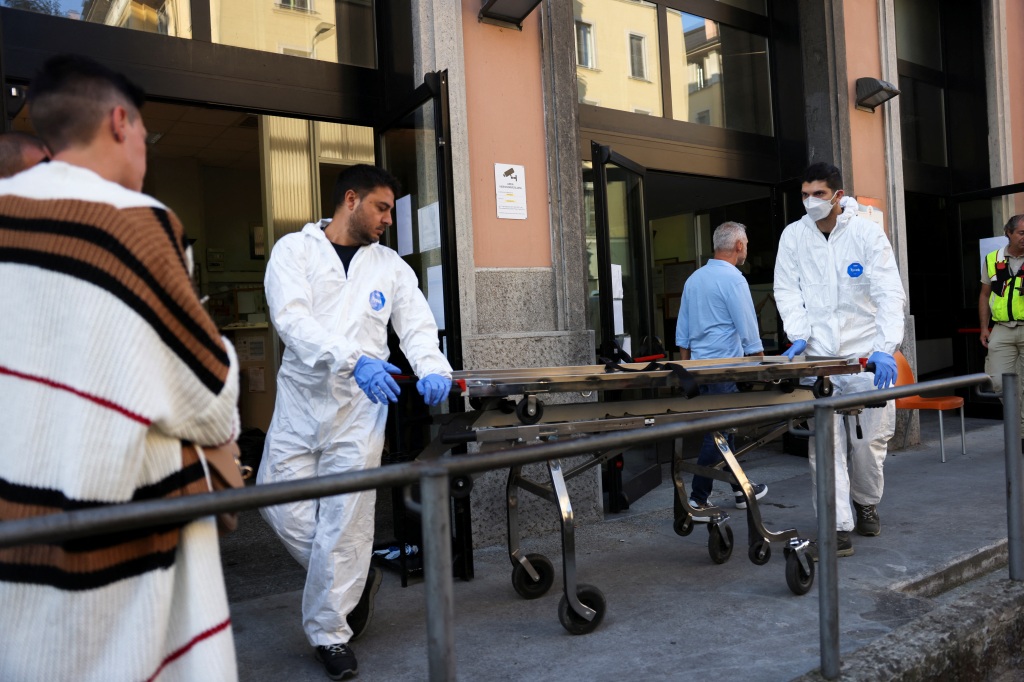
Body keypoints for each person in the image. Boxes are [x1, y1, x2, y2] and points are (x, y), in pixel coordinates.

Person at [0, 55, 241, 681]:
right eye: (143, 133)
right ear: (118, 121)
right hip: (120, 522)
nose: (144, 149)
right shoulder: (135, 223)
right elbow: (207, 390)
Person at [258, 164, 453, 680]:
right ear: (351, 200)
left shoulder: (390, 266)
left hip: (361, 411)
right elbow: (291, 321)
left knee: (346, 522)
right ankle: (355, 576)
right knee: (275, 498)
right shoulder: (294, 251)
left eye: (391, 209)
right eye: (382, 207)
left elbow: (416, 326)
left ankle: (330, 634)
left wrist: (433, 368)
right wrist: (355, 359)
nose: (389, 218)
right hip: (301, 404)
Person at [774, 162, 905, 559]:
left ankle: (866, 502)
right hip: (822, 360)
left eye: (818, 193)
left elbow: (888, 293)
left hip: (866, 357)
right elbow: (786, 290)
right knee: (826, 448)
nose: (811, 201)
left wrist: (886, 346)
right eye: (805, 194)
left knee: (869, 443)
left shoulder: (865, 233)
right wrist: (798, 334)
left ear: (838, 195)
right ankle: (837, 527)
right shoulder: (793, 236)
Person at [675, 221, 768, 520]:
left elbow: (683, 334)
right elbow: (748, 329)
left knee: (722, 431)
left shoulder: (694, 279)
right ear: (739, 246)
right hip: (725, 369)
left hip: (699, 370)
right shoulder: (734, 279)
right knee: (718, 436)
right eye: (747, 244)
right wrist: (762, 366)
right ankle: (697, 499)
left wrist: (687, 371)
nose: (746, 249)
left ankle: (742, 490)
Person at [979, 214, 1024, 442]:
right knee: (998, 380)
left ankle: (1021, 434)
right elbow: (985, 294)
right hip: (1002, 328)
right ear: (1009, 232)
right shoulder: (992, 258)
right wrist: (984, 328)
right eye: (1022, 233)